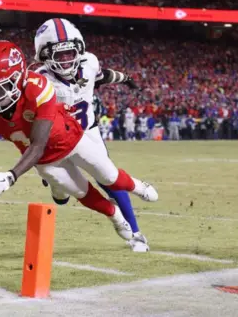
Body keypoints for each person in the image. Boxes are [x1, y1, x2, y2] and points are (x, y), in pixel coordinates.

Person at [0, 41, 158, 243]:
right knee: (83, 193)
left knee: (111, 178)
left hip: (71, 140)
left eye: (0, 87)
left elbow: (38, 143)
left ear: (19, 78)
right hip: (44, 161)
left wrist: (9, 177)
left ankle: (138, 186)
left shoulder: (38, 87)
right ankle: (116, 216)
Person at [32, 18, 151, 251]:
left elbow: (102, 76)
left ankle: (136, 234)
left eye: (70, 53)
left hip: (87, 132)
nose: (67, 60)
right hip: (55, 139)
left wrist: (125, 78)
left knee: (110, 179)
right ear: (44, 55)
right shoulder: (39, 80)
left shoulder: (89, 63)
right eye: (60, 55)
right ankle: (57, 188)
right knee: (60, 192)